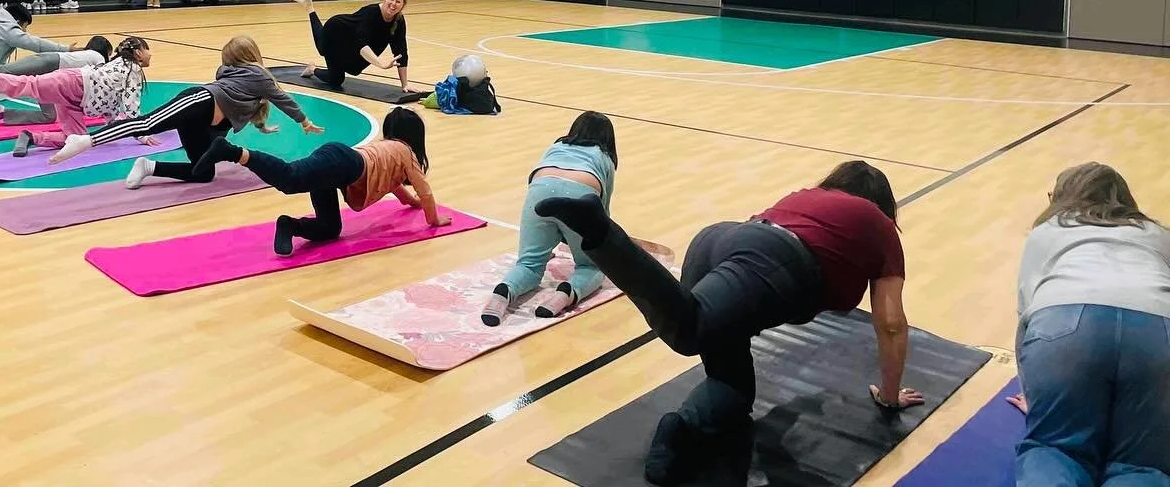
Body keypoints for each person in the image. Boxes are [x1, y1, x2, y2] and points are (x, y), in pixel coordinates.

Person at [535, 160, 919, 485]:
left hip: (719, 241)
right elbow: (890, 323)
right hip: (770, 260)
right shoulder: (880, 227)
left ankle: (680, 428)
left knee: (733, 387)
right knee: (689, 330)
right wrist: (888, 396)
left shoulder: (806, 197)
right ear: (883, 205)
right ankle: (601, 233)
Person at [1011, 163, 1170, 486]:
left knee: (1055, 450)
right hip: (1158, 327)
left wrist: (1039, 396)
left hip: (1066, 322)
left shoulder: (1047, 231)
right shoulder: (1159, 234)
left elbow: (1028, 316)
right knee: (1141, 464)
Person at [42, 35, 322, 182]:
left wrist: (278, 123)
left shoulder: (253, 77)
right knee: (146, 122)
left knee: (204, 173)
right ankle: (87, 140)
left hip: (205, 124)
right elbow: (280, 98)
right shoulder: (244, 76)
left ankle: (149, 166)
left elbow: (270, 99)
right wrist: (304, 120)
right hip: (198, 101)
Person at [198, 106, 451, 256]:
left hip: (340, 168)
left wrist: (412, 203)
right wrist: (433, 219)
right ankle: (233, 152)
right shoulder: (406, 152)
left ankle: (289, 225)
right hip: (343, 163)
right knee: (290, 179)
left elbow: (398, 188)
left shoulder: (391, 152)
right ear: (415, 138)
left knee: (330, 229)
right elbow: (425, 191)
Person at [482, 112, 618, 326]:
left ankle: (504, 291)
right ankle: (564, 294)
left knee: (529, 264)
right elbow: (602, 211)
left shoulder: (556, 146)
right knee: (591, 266)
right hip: (582, 195)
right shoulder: (604, 157)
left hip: (539, 192)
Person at [0, 36, 153, 155]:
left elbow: (113, 111)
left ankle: (31, 137)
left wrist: (118, 127)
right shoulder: (132, 71)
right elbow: (132, 109)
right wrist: (141, 134)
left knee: (75, 140)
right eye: (148, 49)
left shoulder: (118, 66)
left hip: (75, 102)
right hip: (71, 84)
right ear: (138, 52)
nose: (151, 54)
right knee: (22, 85)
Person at [294, 0, 413, 92]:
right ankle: (310, 8)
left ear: (403, 5)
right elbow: (361, 43)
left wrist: (405, 85)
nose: (393, 4)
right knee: (323, 52)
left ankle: (311, 68)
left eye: (398, 2)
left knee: (346, 73)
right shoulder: (371, 12)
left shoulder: (399, 21)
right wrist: (381, 64)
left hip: (350, 44)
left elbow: (401, 52)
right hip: (336, 31)